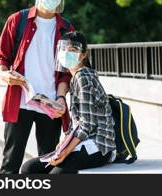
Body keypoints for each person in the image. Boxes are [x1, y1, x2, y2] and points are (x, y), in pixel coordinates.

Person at [0, 0, 75, 174]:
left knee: (46, 164)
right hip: (20, 101)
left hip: (51, 105)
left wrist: (62, 98)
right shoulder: (17, 21)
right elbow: (0, 56)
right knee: (10, 163)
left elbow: (66, 72)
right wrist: (3, 73)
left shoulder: (66, 28)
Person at [20, 32, 117, 174]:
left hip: (99, 146)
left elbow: (87, 125)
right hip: (82, 142)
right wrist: (63, 144)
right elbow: (78, 122)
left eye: (73, 50)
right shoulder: (75, 77)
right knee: (29, 168)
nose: (66, 53)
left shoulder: (83, 77)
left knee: (56, 173)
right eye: (64, 49)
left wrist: (64, 153)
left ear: (84, 55)